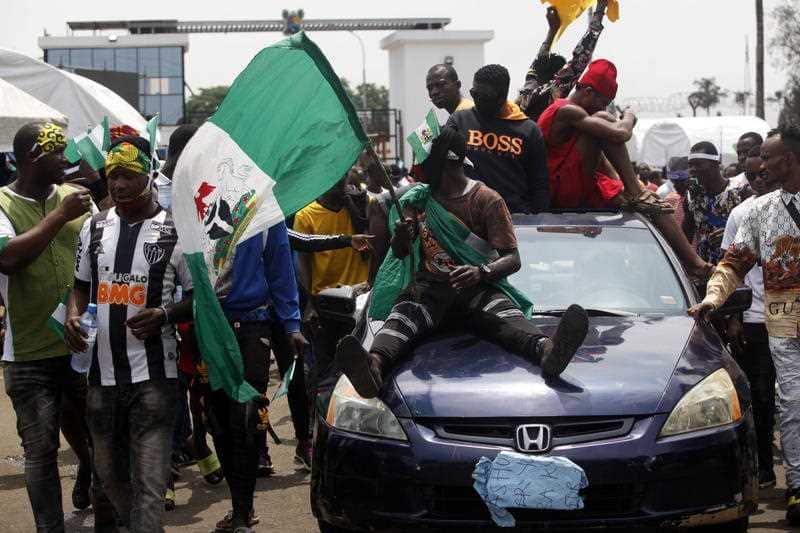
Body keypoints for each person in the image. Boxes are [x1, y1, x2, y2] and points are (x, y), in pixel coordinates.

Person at [335, 127, 589, 399]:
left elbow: (512, 259)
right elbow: (400, 253)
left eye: (424, 159)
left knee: (506, 317)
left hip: (477, 290)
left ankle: (548, 351)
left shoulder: (487, 200)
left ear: (444, 160)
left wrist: (481, 272)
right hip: (428, 290)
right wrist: (401, 236)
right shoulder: (418, 199)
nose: (418, 167)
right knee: (401, 320)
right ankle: (373, 367)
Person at [64, 135, 193, 532]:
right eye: (112, 176)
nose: (117, 184)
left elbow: (200, 298)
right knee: (108, 474)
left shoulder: (176, 231)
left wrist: (165, 313)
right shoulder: (95, 227)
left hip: (156, 379)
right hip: (101, 379)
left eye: (128, 176)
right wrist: (73, 316)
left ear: (149, 178)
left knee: (150, 483)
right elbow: (80, 284)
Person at [688, 125, 800, 525]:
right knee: (792, 403)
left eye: (768, 158)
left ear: (787, 159)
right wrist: (713, 299)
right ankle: (798, 488)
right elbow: (732, 264)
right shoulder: (757, 213)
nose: (760, 166)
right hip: (786, 321)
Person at [0, 122, 96, 532]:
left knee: (98, 440)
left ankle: (103, 505)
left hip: (84, 347)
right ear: (30, 158)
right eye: (56, 152)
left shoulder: (77, 199)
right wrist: (59, 216)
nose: (65, 159)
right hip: (29, 353)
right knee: (40, 450)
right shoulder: (2, 204)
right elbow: (7, 259)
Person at [537, 59, 712, 278]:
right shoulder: (565, 110)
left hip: (582, 183)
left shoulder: (582, 121)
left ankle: (696, 264)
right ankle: (636, 192)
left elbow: (601, 159)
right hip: (560, 188)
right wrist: (629, 116)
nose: (604, 108)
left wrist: (627, 189)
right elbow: (619, 134)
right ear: (589, 92)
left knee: (655, 205)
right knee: (605, 122)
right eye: (604, 101)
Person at [208, 218, 305, 533]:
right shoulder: (197, 199)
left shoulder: (265, 209)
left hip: (253, 325)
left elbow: (281, 268)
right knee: (218, 423)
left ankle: (242, 511)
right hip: (209, 329)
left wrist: (292, 324)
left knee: (247, 419)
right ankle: (240, 505)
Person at [720, 141, 778, 490]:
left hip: (792, 319)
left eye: (765, 173)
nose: (760, 179)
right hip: (755, 320)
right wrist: (733, 316)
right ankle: (766, 468)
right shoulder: (741, 214)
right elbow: (731, 269)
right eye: (754, 175)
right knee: (760, 396)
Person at [447, 64, 550, 214]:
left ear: (502, 96)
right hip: (467, 219)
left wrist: (536, 222)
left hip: (513, 220)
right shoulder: (459, 121)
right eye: (474, 94)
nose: (477, 100)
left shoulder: (529, 131)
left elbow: (540, 186)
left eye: (484, 96)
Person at [516, 0, 608, 121]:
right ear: (556, 76)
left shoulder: (526, 90)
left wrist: (552, 30)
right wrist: (600, 10)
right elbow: (580, 58)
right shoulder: (547, 94)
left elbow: (538, 61)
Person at [683, 141, 752, 264]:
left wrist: (731, 234)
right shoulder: (691, 197)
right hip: (706, 271)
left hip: (738, 272)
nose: (693, 170)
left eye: (698, 164)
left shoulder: (741, 192)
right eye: (690, 165)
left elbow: (758, 231)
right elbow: (685, 237)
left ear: (716, 164)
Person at [663, 157, 691, 230]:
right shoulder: (670, 201)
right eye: (674, 182)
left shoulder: (701, 202)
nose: (675, 186)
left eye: (680, 182)